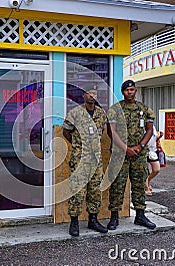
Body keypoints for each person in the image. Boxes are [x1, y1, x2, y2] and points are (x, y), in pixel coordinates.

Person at [106, 79, 156, 230]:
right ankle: (114, 217)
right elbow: (111, 131)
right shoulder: (115, 109)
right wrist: (126, 148)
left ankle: (140, 215)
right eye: (127, 90)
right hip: (120, 154)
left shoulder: (145, 109)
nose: (130, 92)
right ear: (123, 92)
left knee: (140, 184)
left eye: (132, 89)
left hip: (139, 154)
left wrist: (140, 147)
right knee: (117, 185)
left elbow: (149, 130)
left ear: (135, 91)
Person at [62, 86, 109, 237]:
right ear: (83, 95)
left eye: (95, 93)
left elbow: (102, 133)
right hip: (80, 159)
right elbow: (66, 132)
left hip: (96, 160)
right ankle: (74, 222)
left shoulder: (101, 114)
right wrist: (78, 146)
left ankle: (93, 220)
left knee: (95, 190)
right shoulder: (75, 113)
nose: (92, 96)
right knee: (77, 190)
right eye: (89, 93)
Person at [145, 126, 163, 196]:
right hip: (143, 150)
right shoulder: (141, 125)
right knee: (145, 170)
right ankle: (146, 188)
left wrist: (159, 137)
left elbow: (154, 139)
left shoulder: (153, 127)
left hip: (152, 151)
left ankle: (148, 181)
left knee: (156, 169)